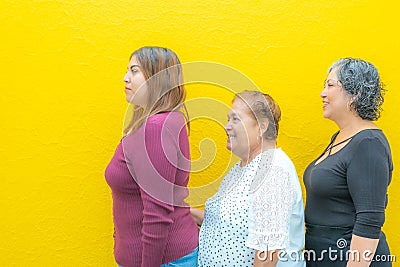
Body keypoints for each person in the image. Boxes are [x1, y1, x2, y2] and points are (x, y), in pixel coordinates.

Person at [105, 46, 199, 267]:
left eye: (134, 70)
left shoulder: (156, 127)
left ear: (157, 77)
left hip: (164, 261)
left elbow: (157, 212)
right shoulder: (157, 123)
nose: (125, 78)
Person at [191, 90, 305, 267]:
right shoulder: (241, 169)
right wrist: (181, 211)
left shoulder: (273, 169)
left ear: (262, 126)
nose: (226, 126)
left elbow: (268, 253)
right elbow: (226, 223)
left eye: (235, 119)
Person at [303, 58, 393, 266]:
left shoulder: (368, 143)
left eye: (330, 85)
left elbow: (369, 221)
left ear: (355, 94)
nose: (322, 93)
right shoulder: (340, 137)